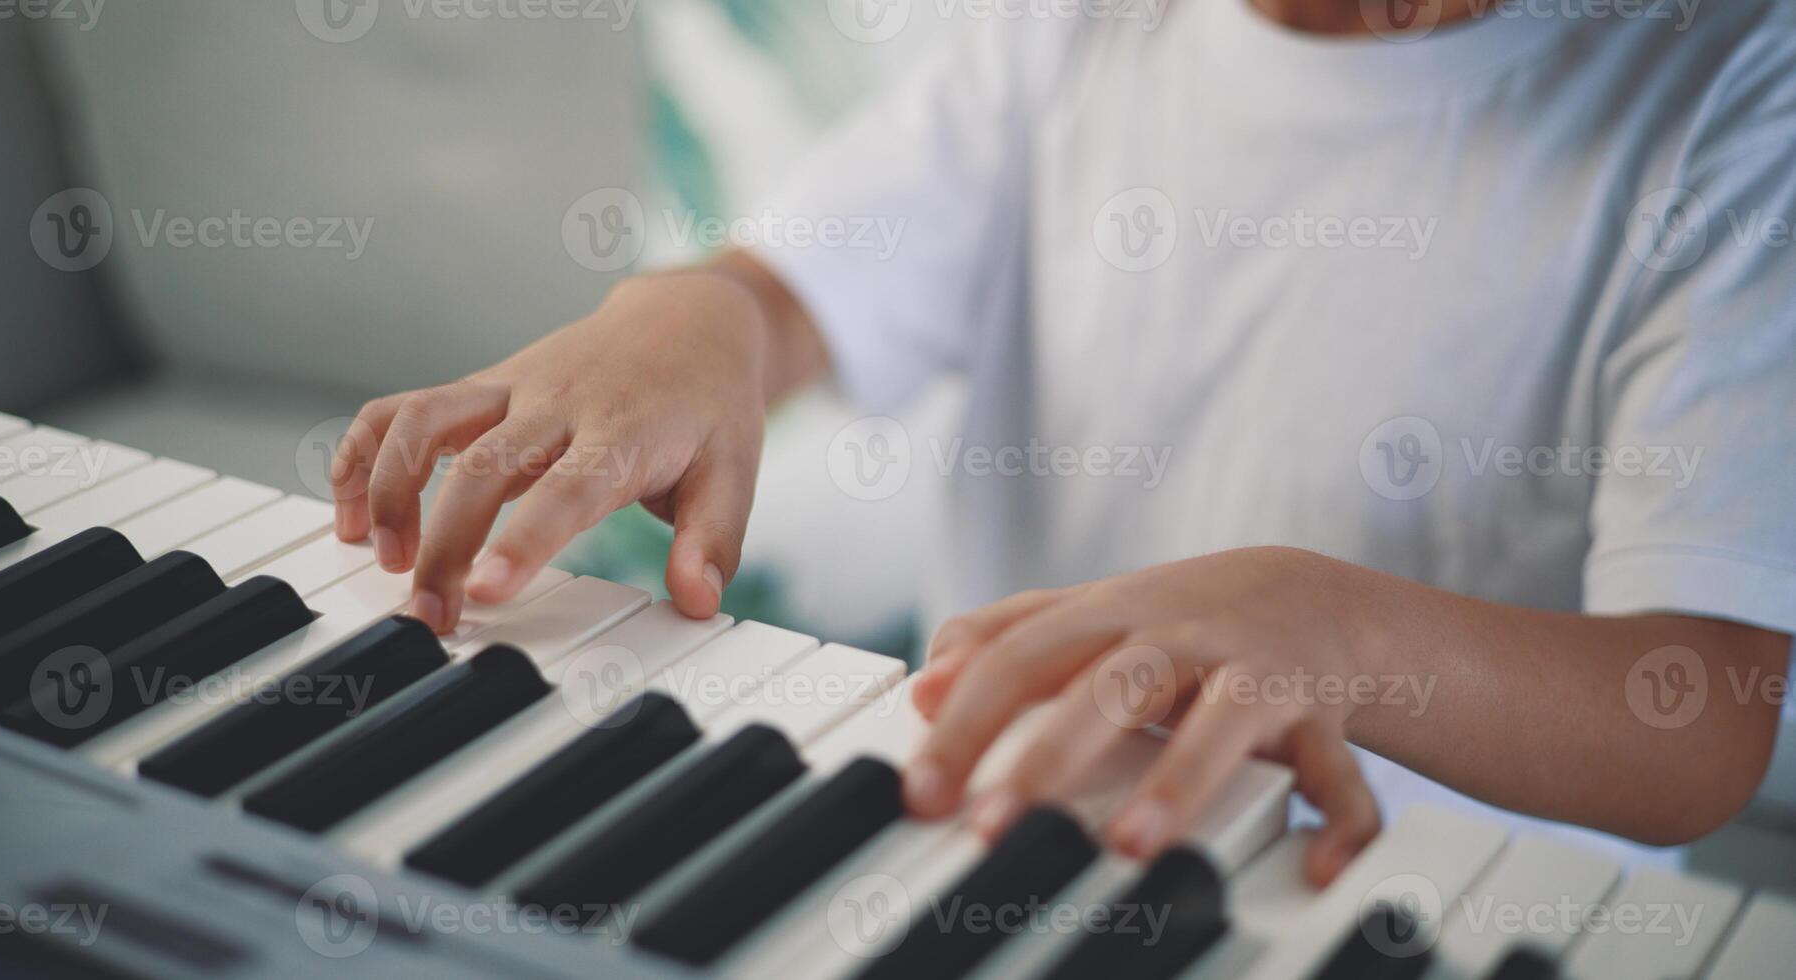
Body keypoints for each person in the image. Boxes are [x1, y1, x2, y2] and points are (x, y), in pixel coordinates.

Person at [329, 0, 1796, 884]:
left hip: (1430, 905)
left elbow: (1701, 727)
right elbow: (792, 297)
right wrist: (694, 320)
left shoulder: (1740, 87)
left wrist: (1334, 627)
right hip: (1024, 844)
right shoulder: (1078, 27)